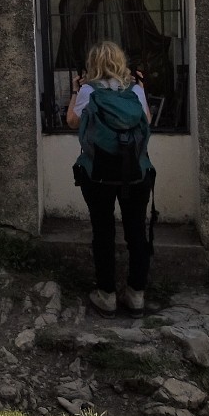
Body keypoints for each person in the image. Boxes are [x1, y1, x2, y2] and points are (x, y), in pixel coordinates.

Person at [66, 40, 152, 316]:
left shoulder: (88, 92)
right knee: (136, 232)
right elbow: (147, 121)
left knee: (103, 232)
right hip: (136, 174)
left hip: (98, 174)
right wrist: (143, 91)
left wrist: (74, 92)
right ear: (120, 62)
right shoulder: (135, 90)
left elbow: (72, 121)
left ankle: (107, 295)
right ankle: (137, 294)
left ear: (93, 64)